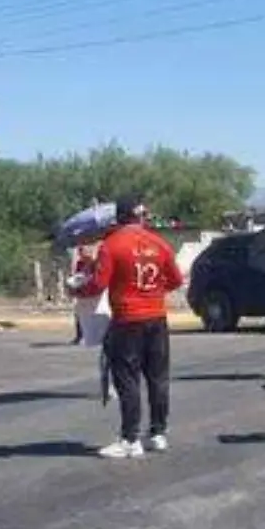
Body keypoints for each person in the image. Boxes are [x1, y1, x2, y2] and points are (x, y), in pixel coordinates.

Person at [74, 194, 183, 459]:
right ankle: (158, 433)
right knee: (158, 378)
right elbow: (176, 280)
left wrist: (77, 287)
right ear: (142, 215)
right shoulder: (160, 243)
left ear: (118, 217)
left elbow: (98, 284)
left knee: (127, 380)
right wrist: (154, 292)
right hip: (157, 318)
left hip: (127, 320)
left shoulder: (112, 245)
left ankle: (130, 438)